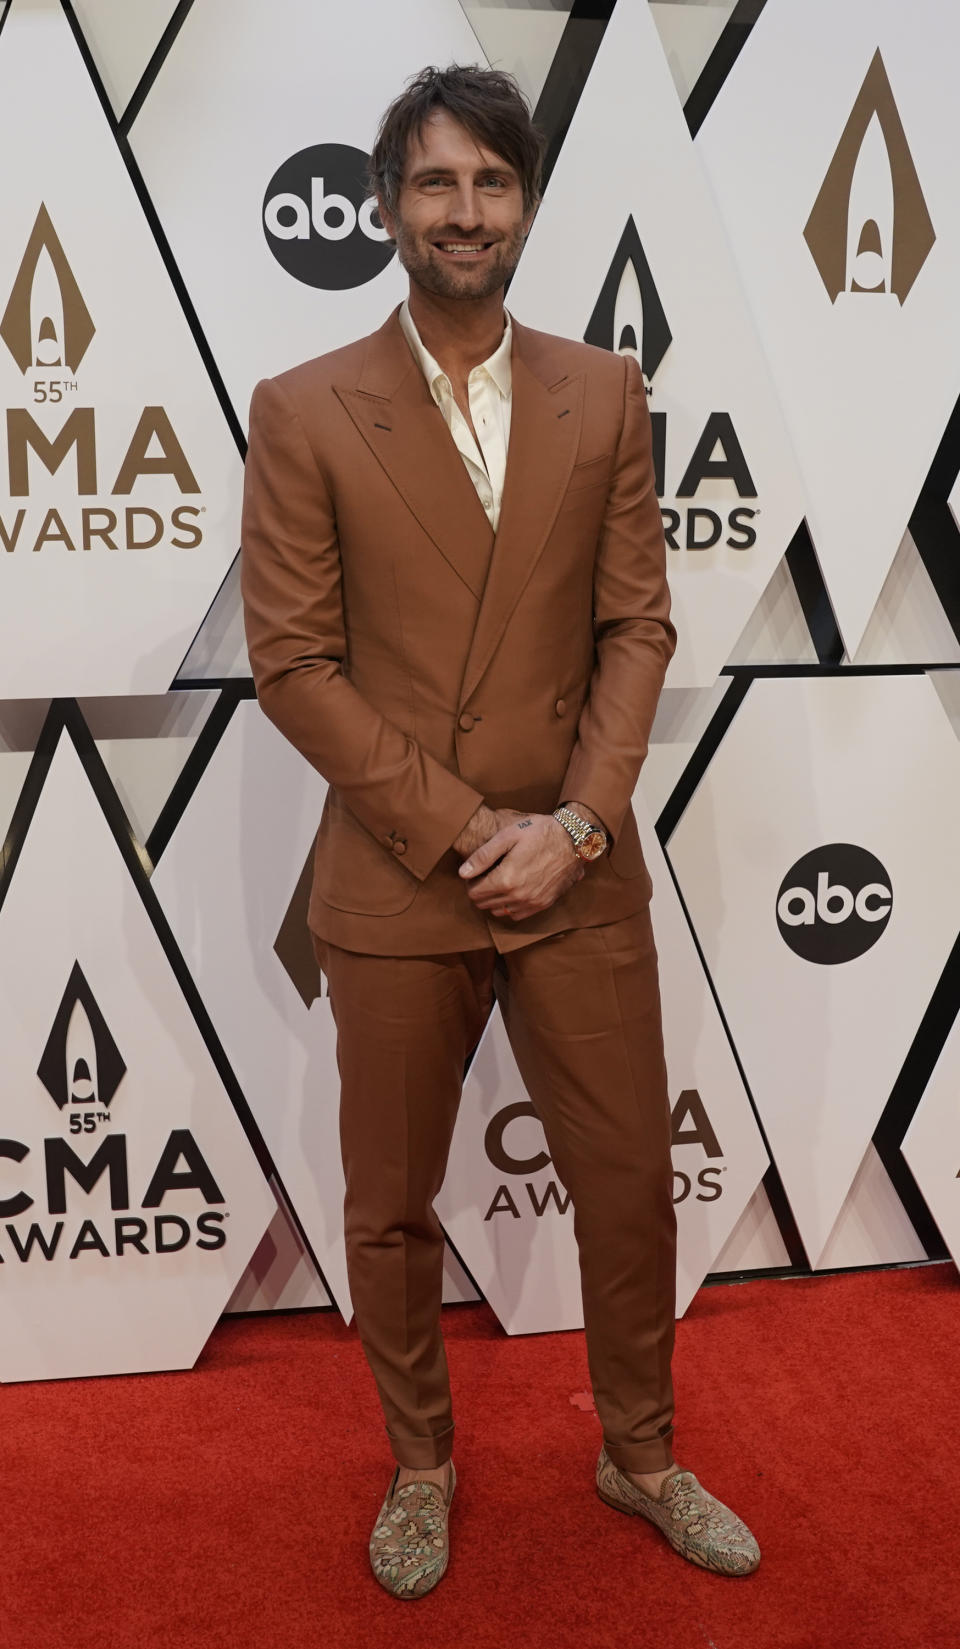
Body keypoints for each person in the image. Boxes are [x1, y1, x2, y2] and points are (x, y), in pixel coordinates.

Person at [241, 64, 759, 1598]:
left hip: (577, 873)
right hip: (404, 877)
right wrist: (478, 828)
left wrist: (582, 825)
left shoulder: (604, 390)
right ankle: (419, 1463)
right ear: (388, 206)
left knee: (623, 1178)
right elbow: (295, 666)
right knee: (388, 1205)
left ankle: (640, 1450)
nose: (465, 211)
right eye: (436, 183)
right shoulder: (304, 407)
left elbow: (638, 628)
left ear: (527, 204)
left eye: (493, 183)